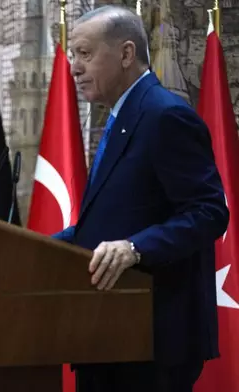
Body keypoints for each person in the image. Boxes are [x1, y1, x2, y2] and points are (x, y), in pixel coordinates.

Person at [53, 5, 229, 392]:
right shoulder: (122, 116)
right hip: (109, 334)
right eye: (71, 56)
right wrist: (34, 247)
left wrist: (135, 248)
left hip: (153, 338)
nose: (74, 68)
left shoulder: (165, 116)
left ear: (126, 54)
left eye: (84, 54)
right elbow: (112, 220)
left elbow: (210, 212)